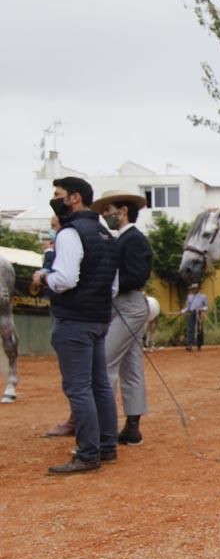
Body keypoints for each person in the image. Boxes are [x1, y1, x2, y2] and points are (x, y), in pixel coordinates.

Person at [36, 177, 119, 474]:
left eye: (58, 195)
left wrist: (44, 278)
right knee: (100, 385)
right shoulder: (105, 233)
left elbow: (66, 279)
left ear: (74, 198)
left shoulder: (70, 233)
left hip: (74, 320)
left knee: (79, 388)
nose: (55, 199)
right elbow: (113, 286)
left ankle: (87, 453)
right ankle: (107, 446)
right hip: (99, 318)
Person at [94, 190, 152, 445]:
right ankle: (132, 426)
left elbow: (137, 276)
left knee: (105, 363)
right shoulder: (123, 239)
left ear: (124, 211)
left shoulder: (133, 240)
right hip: (127, 305)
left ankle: (102, 427)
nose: (105, 215)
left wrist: (107, 283)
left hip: (129, 305)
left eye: (108, 210)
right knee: (131, 367)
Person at [181, 283, 208, 351]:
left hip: (199, 314)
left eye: (195, 288)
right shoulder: (189, 296)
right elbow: (187, 307)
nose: (194, 290)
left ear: (198, 289)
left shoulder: (203, 296)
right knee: (190, 328)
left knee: (200, 329)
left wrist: (202, 309)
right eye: (193, 289)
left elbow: (206, 306)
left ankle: (199, 344)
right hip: (191, 313)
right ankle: (189, 344)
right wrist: (183, 311)